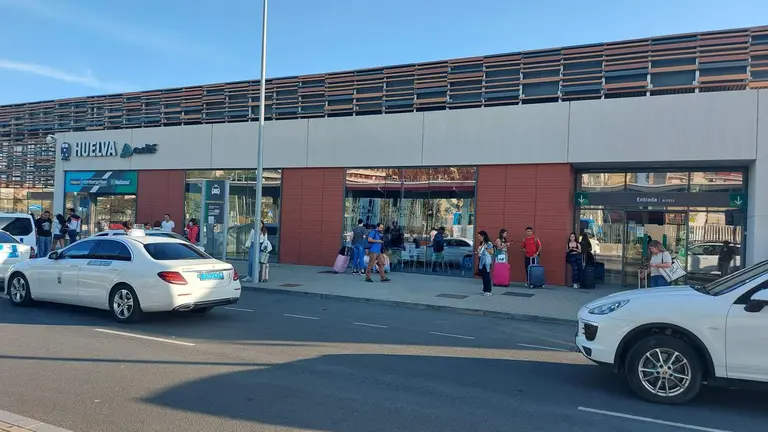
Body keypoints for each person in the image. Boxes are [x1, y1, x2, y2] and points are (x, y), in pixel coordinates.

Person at [477, 230, 494, 296]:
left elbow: (491, 252)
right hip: (482, 261)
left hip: (487, 261)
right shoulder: (482, 243)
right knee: (483, 276)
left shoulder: (488, 243)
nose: (479, 238)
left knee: (487, 275)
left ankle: (488, 290)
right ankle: (484, 289)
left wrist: (486, 249)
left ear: (483, 236)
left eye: (479, 236)